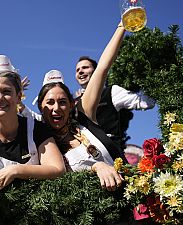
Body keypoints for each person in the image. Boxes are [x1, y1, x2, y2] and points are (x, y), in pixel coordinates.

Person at [37, 22, 127, 191]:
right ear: (41, 108)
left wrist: (122, 27)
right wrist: (97, 167)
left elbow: (102, 68)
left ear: (72, 105)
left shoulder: (83, 117)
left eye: (62, 102)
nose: (56, 108)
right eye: (49, 102)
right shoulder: (43, 145)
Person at [0, 70, 66, 198]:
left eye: (6, 92)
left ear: (19, 97)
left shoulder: (37, 128)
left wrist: (14, 171)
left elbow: (57, 169)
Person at [75, 55, 155, 150]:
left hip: (111, 153)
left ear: (96, 71)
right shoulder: (75, 102)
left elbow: (146, 102)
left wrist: (148, 77)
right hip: (85, 153)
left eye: (85, 67)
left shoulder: (112, 92)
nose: (80, 71)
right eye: (77, 70)